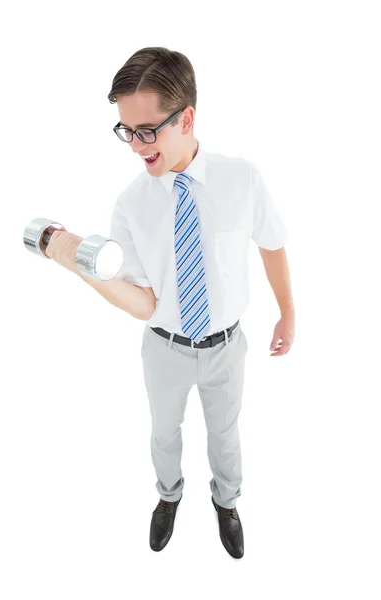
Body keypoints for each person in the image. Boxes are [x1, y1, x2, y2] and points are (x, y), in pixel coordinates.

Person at [46, 46, 295, 560]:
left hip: (228, 346)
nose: (136, 145)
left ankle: (227, 503)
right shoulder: (132, 204)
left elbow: (271, 243)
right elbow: (143, 303)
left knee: (225, 435)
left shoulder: (241, 178)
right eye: (126, 131)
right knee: (164, 431)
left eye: (146, 130)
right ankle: (168, 497)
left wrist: (287, 312)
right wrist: (84, 268)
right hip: (163, 347)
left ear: (187, 118)